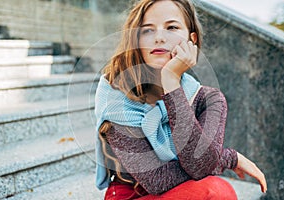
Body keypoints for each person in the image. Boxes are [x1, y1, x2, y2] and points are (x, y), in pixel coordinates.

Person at [94, 0, 267, 199]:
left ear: (191, 39)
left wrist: (171, 83)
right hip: (132, 195)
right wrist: (230, 158)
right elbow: (158, 180)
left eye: (172, 27)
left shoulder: (208, 98)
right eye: (148, 30)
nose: (159, 38)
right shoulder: (116, 94)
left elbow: (200, 166)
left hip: (186, 191)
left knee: (217, 190)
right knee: (215, 191)